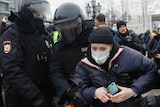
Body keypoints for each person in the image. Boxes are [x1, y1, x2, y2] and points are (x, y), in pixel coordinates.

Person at [74, 27, 158, 107]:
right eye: (94, 48)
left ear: (111, 46)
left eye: (103, 49)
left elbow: (151, 70)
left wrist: (134, 90)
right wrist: (94, 92)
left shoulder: (129, 55)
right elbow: (78, 89)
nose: (98, 52)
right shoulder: (84, 64)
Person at [0, 0, 54, 107]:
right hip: (22, 98)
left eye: (42, 13)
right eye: (37, 13)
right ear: (27, 12)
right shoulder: (13, 35)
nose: (41, 16)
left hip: (43, 93)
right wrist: (34, 95)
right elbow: (11, 68)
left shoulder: (40, 34)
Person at [49, 2, 93, 107]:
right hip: (72, 92)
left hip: (96, 89)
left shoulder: (93, 39)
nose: (68, 28)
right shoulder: (58, 47)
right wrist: (67, 90)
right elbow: (55, 72)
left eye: (71, 23)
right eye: (64, 25)